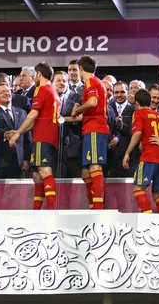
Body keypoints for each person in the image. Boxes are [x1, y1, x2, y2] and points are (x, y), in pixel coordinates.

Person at [10, 62, 61, 209]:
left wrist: (17, 133)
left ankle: (52, 211)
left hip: (42, 137)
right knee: (37, 176)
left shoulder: (41, 89)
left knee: (45, 171)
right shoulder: (54, 92)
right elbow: (37, 120)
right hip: (49, 136)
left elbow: (33, 114)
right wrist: (20, 130)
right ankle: (36, 211)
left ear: (38, 74)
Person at [70, 55, 109, 210]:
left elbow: (92, 102)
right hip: (90, 127)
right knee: (86, 173)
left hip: (95, 128)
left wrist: (77, 108)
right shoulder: (96, 82)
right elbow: (92, 109)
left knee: (94, 167)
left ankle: (98, 209)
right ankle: (93, 206)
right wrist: (66, 118)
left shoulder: (90, 81)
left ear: (80, 68)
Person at [123, 89, 159, 214]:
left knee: (138, 188)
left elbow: (137, 132)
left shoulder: (139, 113)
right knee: (158, 195)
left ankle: (147, 218)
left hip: (149, 156)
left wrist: (127, 152)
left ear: (136, 103)